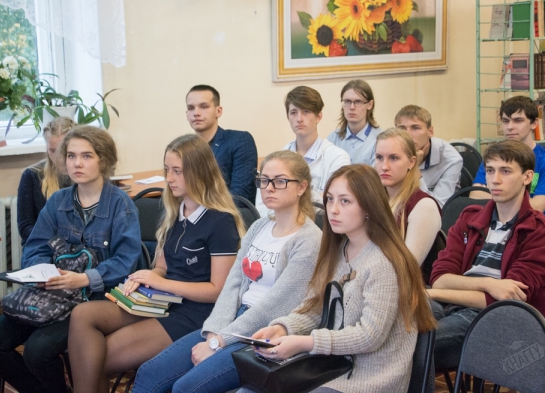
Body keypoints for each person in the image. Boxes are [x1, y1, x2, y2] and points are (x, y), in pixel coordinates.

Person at [131, 150, 323, 393]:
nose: (269, 188)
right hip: (232, 320)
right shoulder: (260, 226)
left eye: (280, 181)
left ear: (301, 187)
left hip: (264, 332)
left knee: (185, 388)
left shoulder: (309, 240)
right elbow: (233, 284)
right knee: (149, 373)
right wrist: (214, 331)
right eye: (264, 180)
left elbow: (275, 305)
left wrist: (220, 341)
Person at [67, 134, 244, 393]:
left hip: (195, 314)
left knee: (96, 358)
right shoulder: (176, 211)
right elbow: (161, 268)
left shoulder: (220, 221)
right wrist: (144, 277)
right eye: (167, 170)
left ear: (199, 172)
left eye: (177, 171)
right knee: (82, 315)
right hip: (163, 302)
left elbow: (218, 291)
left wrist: (162, 283)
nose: (169, 178)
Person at [0, 126, 143, 393]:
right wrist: (42, 273)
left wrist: (84, 278)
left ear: (103, 160)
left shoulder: (120, 205)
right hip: (53, 294)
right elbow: (35, 247)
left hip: (94, 299)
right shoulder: (57, 201)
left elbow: (127, 262)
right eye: (71, 156)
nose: (77, 163)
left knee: (37, 351)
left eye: (87, 156)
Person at [249, 164, 436, 392]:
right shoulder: (339, 250)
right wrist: (284, 328)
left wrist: (305, 342)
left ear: (369, 207)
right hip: (330, 368)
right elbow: (316, 309)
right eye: (329, 199)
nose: (333, 210)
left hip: (368, 380)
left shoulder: (385, 262)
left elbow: (369, 336)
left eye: (345, 201)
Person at [429, 140, 545, 371]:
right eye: (490, 171)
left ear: (527, 177)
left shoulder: (543, 232)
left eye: (506, 171)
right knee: (397, 327)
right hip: (450, 304)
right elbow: (440, 277)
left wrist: (432, 293)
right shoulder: (469, 218)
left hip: (503, 321)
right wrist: (489, 284)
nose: (495, 180)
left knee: (415, 344)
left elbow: (507, 299)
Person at [255, 86, 350, 217]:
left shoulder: (338, 157)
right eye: (293, 112)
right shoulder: (277, 160)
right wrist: (318, 196)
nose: (299, 118)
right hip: (281, 225)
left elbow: (335, 205)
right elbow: (261, 208)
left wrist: (284, 201)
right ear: (288, 117)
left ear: (318, 116)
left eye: (306, 111)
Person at [470, 96, 545, 217]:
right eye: (505, 121)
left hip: (533, 225)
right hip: (494, 222)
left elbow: (536, 207)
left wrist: (497, 196)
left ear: (534, 123)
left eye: (518, 121)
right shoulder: (493, 156)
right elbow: (475, 196)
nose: (510, 127)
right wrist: (521, 200)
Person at [375, 129, 441, 265]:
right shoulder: (373, 200)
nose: (384, 166)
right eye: (379, 157)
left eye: (394, 158)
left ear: (411, 162)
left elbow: (407, 267)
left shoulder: (424, 206)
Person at [186, 84, 258, 203]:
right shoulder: (184, 149)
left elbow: (240, 196)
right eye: (191, 108)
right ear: (186, 114)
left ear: (218, 111)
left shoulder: (239, 140)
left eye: (203, 107)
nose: (196, 113)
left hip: (227, 212)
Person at [17, 116, 76, 245]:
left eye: (63, 150)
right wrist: (58, 245)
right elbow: (25, 227)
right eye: (52, 150)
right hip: (43, 247)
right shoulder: (32, 175)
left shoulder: (84, 175)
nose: (58, 157)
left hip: (79, 249)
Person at [395, 105, 463, 208]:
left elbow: (437, 206)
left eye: (415, 128)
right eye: (402, 128)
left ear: (430, 132)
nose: (408, 135)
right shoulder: (390, 153)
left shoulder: (452, 159)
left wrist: (414, 167)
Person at [327, 79, 383, 166]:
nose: (352, 107)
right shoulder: (333, 139)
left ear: (369, 104)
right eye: (347, 101)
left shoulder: (380, 140)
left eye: (358, 102)